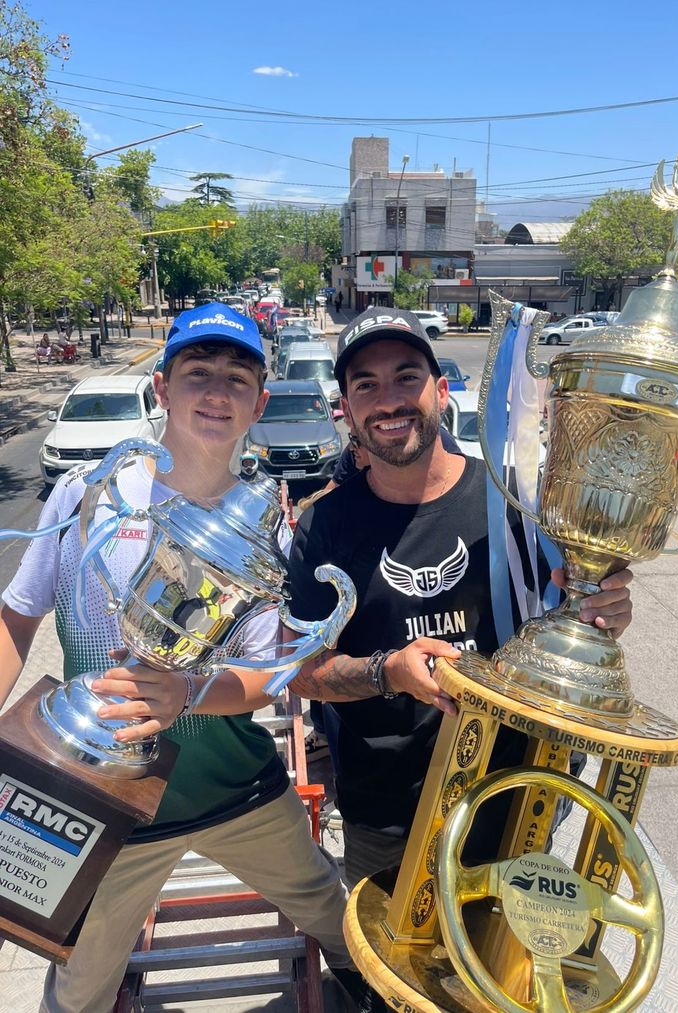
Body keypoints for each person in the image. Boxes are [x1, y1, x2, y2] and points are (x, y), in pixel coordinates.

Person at [0, 302, 376, 1012]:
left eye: (238, 378)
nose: (216, 392)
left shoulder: (269, 540)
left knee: (338, 919)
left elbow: (270, 677)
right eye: (197, 372)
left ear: (259, 401)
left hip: (234, 789)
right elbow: (16, 618)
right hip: (107, 798)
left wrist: (192, 693)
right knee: (78, 989)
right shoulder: (90, 496)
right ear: (163, 389)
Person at [285, 308, 634, 887]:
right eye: (365, 385)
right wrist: (389, 671)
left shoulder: (517, 502)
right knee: (390, 972)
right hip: (386, 811)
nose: (389, 400)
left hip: (518, 797)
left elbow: (577, 619)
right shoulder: (324, 525)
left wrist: (603, 612)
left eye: (406, 377)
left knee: (500, 967)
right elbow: (301, 672)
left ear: (442, 391)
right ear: (345, 410)